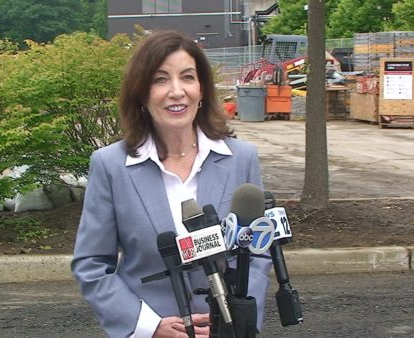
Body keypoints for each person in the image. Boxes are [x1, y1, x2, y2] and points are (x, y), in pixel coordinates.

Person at [72, 30, 272, 338]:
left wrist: (237, 320)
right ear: (141, 93)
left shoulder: (241, 158)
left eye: (187, 77)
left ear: (202, 89)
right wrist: (148, 327)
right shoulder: (110, 166)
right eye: (160, 79)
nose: (176, 91)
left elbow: (257, 252)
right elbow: (92, 264)